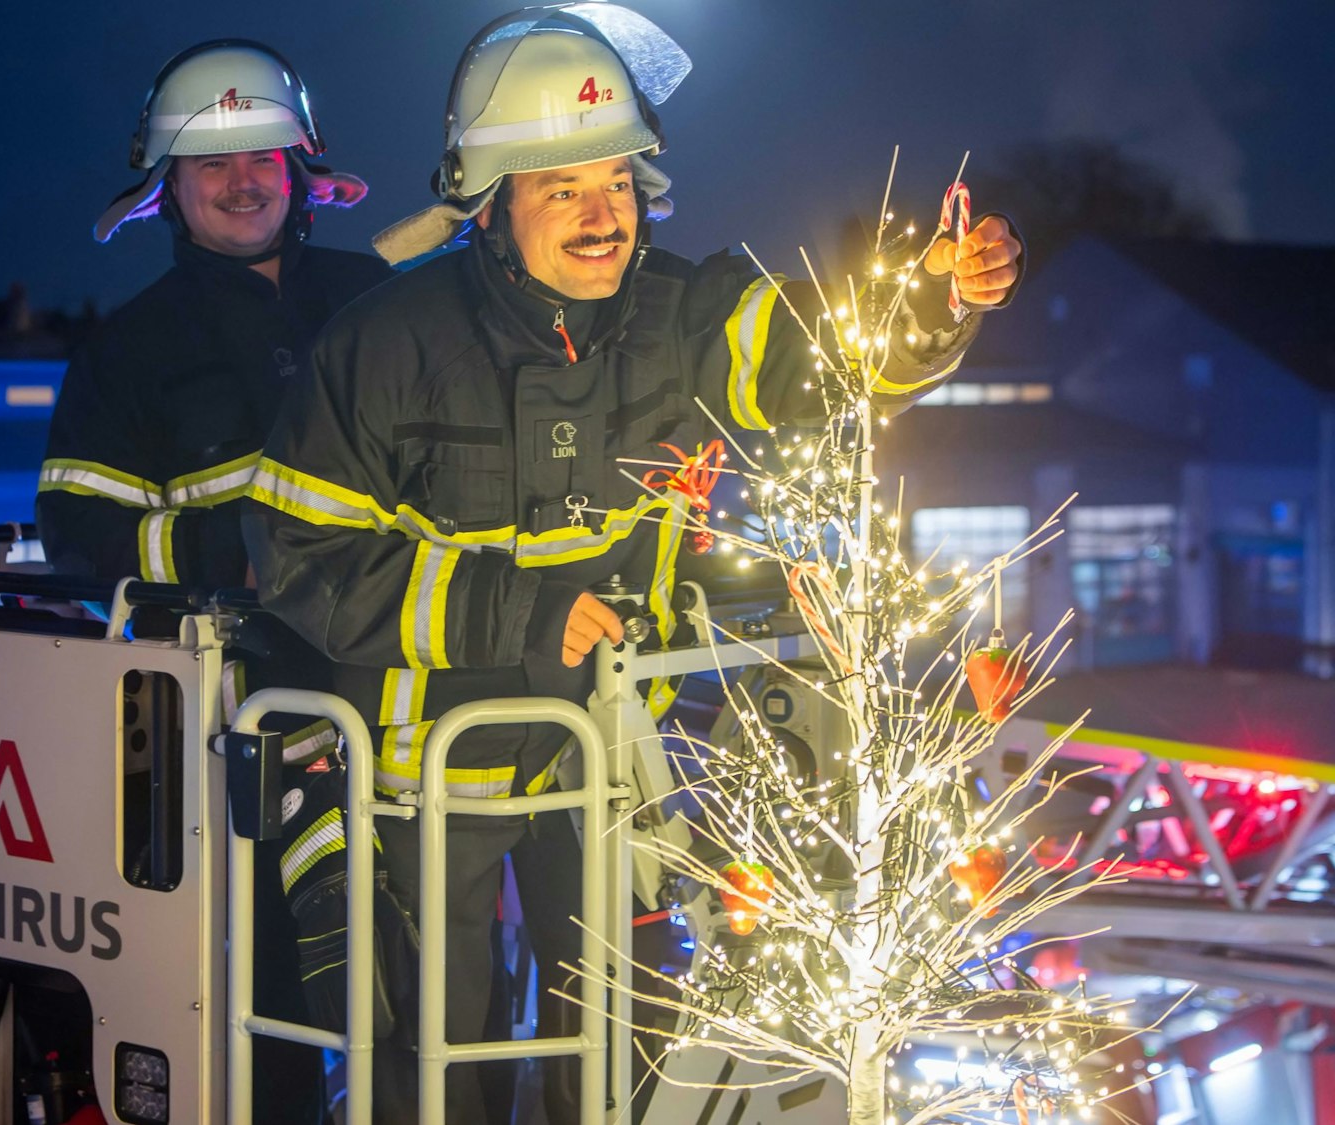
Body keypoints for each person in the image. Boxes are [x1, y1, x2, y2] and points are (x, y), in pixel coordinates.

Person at [240, 6, 1023, 1122]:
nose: (601, 214)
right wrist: (511, 614)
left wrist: (936, 296)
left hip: (607, 755)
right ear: (493, 203)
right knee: (437, 1057)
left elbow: (824, 354)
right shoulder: (384, 346)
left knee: (615, 1046)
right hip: (422, 765)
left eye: (616, 180)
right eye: (561, 188)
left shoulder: (682, 313)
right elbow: (298, 557)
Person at [34, 38, 394, 1123]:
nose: (243, 185)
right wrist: (225, 557)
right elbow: (75, 531)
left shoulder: (374, 297)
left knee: (424, 972)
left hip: (401, 676)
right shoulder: (126, 351)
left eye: (263, 161)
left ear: (301, 172)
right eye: (213, 167)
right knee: (267, 991)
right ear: (169, 191)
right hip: (232, 711)